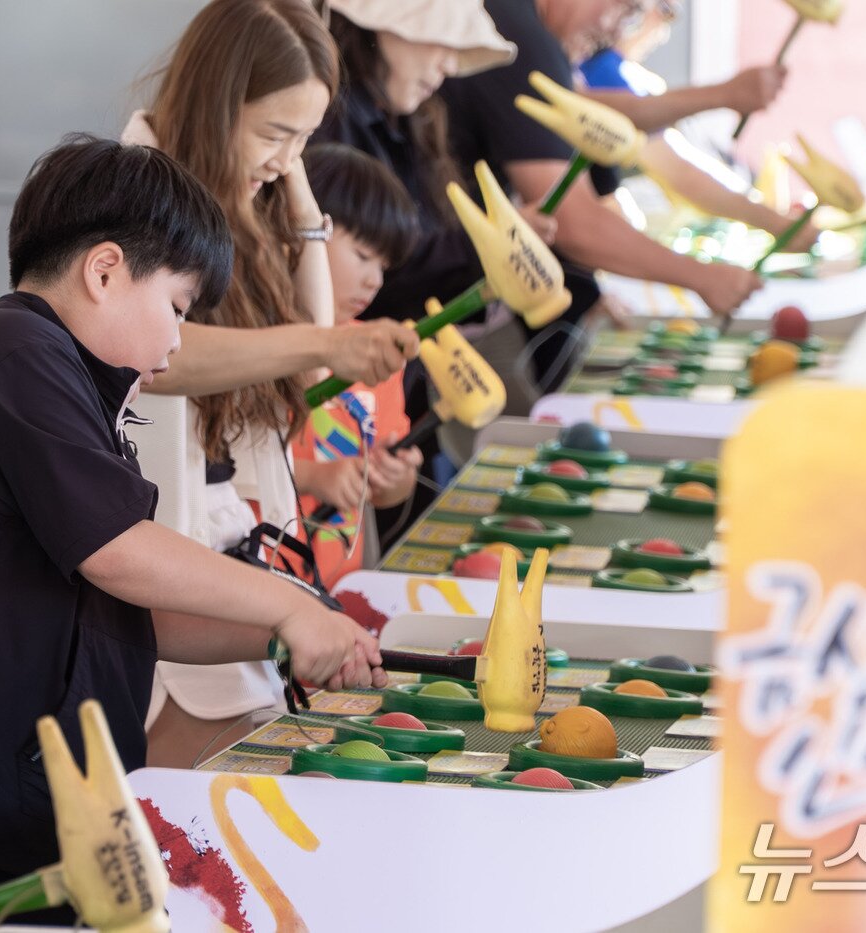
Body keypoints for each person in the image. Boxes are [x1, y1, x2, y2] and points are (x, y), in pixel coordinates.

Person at [0, 137, 387, 916]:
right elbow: (118, 552)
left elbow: (139, 612)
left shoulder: (77, 391)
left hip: (4, 815)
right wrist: (285, 602)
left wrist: (293, 631)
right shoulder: (10, 348)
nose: (174, 347)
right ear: (104, 271)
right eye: (177, 309)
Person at [122, 0, 414, 769]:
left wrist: (305, 205)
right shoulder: (134, 191)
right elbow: (157, 358)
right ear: (219, 104)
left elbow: (308, 370)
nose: (287, 159)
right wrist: (321, 341)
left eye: (306, 141)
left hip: (222, 544)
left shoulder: (242, 202)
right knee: (217, 799)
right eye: (276, 134)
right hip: (161, 550)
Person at [313, 0, 526, 538]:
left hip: (390, 393)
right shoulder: (326, 121)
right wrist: (486, 249)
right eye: (442, 42)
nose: (449, 66)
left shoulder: (410, 120)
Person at [441, 0, 769, 326]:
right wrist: (704, 278)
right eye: (626, 9)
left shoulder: (520, 24)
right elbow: (572, 222)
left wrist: (724, 95)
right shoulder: (524, 39)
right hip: (439, 298)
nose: (615, 32)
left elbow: (600, 111)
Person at [580, 0, 820, 251]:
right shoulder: (605, 71)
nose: (663, 31)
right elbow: (680, 171)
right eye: (665, 10)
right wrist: (775, 222)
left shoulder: (620, 71)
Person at [294, 144, 424, 589]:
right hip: (264, 583)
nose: (375, 280)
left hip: (340, 584)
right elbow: (220, 472)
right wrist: (314, 477)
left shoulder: (377, 354)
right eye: (364, 255)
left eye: (383, 265)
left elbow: (387, 494)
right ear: (304, 232)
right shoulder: (260, 348)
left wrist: (396, 476)